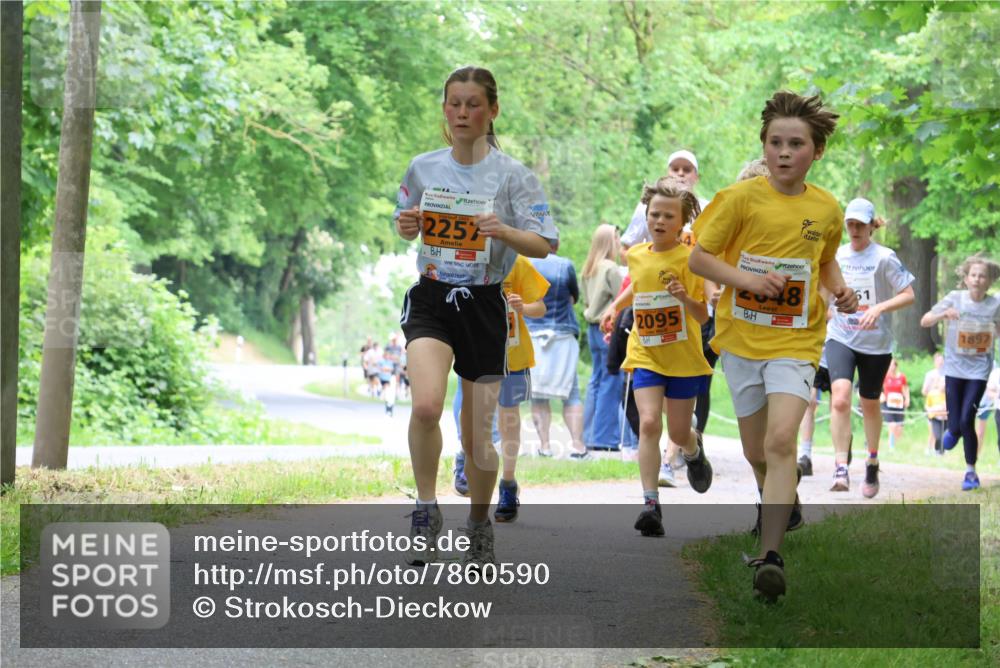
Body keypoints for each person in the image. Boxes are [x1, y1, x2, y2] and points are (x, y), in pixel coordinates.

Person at [689, 91, 858, 601]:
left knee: (781, 442)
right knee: (756, 451)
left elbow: (824, 261)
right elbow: (700, 258)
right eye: (775, 142)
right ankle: (785, 498)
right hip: (741, 340)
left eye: (796, 144)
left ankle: (770, 558)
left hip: (797, 340)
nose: (784, 152)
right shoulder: (739, 199)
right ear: (764, 146)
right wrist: (747, 281)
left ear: (817, 151)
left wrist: (841, 289)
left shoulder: (826, 208)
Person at [394, 66, 557, 568]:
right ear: (445, 108)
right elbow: (405, 224)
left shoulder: (514, 176)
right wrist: (407, 224)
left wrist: (503, 231)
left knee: (476, 436)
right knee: (426, 406)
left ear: (492, 110)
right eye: (454, 103)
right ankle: (426, 511)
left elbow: (546, 243)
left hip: (485, 305)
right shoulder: (422, 167)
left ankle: (479, 524)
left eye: (473, 104)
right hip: (433, 298)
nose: (462, 113)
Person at [617, 177, 715, 536]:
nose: (659, 221)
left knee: (677, 430)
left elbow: (702, 316)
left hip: (683, 358)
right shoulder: (635, 255)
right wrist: (614, 308)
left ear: (682, 222)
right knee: (648, 423)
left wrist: (683, 297)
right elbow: (638, 290)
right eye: (654, 214)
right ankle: (651, 504)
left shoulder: (692, 260)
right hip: (645, 352)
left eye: (668, 216)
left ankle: (692, 449)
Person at [823, 198, 915, 497]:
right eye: (850, 224)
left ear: (871, 226)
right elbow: (825, 291)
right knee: (839, 398)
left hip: (875, 343)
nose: (854, 229)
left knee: (869, 402)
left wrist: (879, 308)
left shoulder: (885, 257)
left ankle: (872, 461)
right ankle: (840, 467)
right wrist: (825, 310)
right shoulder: (837, 255)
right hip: (841, 336)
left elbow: (908, 294)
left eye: (860, 224)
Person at [451, 255, 549, 522]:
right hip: (475, 351)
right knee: (470, 413)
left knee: (508, 418)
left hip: (512, 354)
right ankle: (464, 456)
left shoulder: (517, 262)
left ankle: (508, 483)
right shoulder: (466, 260)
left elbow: (541, 307)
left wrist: (523, 307)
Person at [920, 254, 1000, 490]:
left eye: (982, 276)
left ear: (989, 281)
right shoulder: (955, 298)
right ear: (966, 279)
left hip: (979, 370)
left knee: (967, 419)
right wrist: (943, 314)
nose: (977, 279)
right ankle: (953, 432)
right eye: (973, 275)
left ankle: (971, 472)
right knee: (955, 424)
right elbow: (925, 320)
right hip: (954, 368)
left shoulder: (995, 304)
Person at [526, 243, 589, 459]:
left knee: (538, 394)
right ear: (557, 244)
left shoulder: (525, 264)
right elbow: (573, 298)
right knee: (571, 394)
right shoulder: (565, 265)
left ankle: (545, 447)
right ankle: (578, 447)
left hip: (532, 334)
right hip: (563, 334)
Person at [581, 224, 626, 451]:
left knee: (596, 380)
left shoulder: (588, 268)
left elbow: (586, 301)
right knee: (612, 379)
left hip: (592, 328)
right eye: (617, 239)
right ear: (610, 242)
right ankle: (604, 437)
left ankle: (588, 434)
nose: (619, 243)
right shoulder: (611, 269)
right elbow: (622, 299)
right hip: (607, 329)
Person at [879, 358, 910, 452]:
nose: (891, 367)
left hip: (899, 404)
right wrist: (881, 395)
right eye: (889, 365)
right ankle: (891, 446)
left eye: (893, 365)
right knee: (892, 425)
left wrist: (907, 399)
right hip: (887, 404)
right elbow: (878, 387)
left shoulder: (902, 377)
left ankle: (895, 444)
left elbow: (905, 388)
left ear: (896, 366)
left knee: (899, 428)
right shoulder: (884, 376)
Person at [922, 353, 948, 455]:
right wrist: (934, 388)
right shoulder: (930, 374)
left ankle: (938, 450)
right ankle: (929, 448)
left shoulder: (947, 374)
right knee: (932, 430)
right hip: (932, 405)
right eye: (938, 361)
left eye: (942, 361)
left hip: (943, 407)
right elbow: (924, 391)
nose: (940, 363)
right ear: (935, 362)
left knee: (941, 431)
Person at [978, 363, 1000, 457]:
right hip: (990, 406)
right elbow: (989, 391)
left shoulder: (993, 364)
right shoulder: (995, 373)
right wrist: (997, 395)